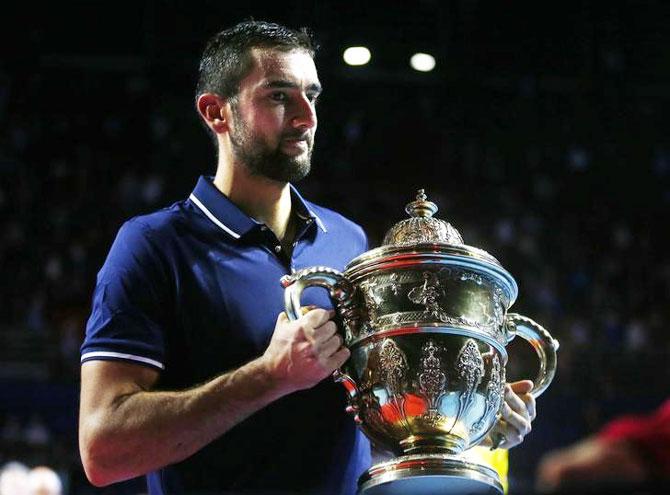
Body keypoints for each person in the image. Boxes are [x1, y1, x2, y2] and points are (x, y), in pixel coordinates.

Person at [78, 20, 536, 495]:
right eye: (279, 96)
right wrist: (268, 376)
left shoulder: (350, 241)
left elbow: (366, 429)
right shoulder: (153, 245)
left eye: (312, 95)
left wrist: (469, 420)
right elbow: (103, 451)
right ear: (217, 113)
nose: (306, 118)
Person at [536, 399, 670, 492]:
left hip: (640, 451)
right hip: (634, 445)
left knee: (556, 470)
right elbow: (556, 471)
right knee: (555, 470)